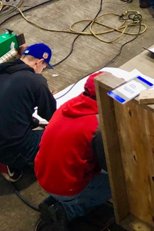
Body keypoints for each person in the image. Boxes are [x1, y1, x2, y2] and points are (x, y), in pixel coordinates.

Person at [36, 72, 112, 228]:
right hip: (67, 187)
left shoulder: (69, 105)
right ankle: (70, 209)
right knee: (119, 183)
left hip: (43, 174)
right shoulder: (97, 125)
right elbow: (108, 165)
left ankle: (59, 200)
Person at [0, 43, 56, 182]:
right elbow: (51, 116)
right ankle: (30, 164)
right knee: (56, 135)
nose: (42, 70)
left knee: (30, 122)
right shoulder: (36, 81)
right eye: (44, 67)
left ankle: (3, 159)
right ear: (39, 62)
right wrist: (49, 97)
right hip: (12, 148)